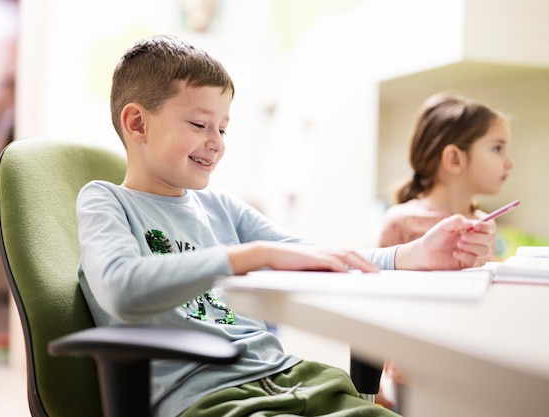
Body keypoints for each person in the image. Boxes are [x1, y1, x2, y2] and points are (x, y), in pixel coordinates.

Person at [76, 35, 495, 417]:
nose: (218, 142)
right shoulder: (106, 200)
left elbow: (320, 259)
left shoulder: (221, 208)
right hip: (212, 400)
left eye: (222, 128)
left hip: (297, 379)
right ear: (137, 124)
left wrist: (413, 254)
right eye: (200, 125)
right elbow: (120, 288)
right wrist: (253, 256)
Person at [375, 93, 514, 410]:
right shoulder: (400, 221)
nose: (510, 161)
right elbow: (377, 305)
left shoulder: (484, 225)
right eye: (497, 148)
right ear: (454, 159)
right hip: (414, 376)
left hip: (472, 371)